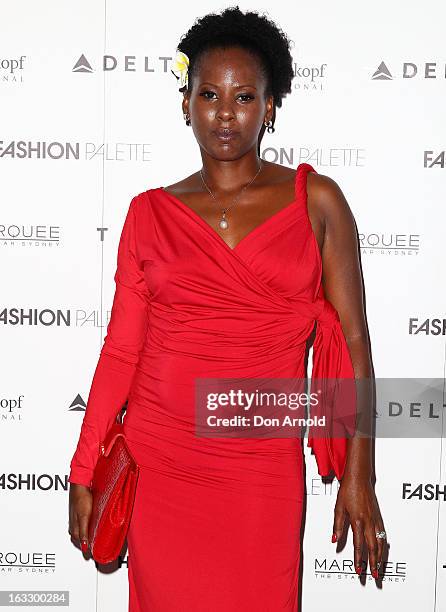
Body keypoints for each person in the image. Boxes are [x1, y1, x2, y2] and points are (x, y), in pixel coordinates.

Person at [68, 6, 387, 611]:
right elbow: (121, 352)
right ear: (185, 101)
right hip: (161, 460)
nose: (224, 112)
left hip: (259, 466)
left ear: (271, 107)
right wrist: (84, 470)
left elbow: (354, 343)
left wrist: (359, 474)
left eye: (245, 96)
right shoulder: (148, 212)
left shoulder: (315, 200)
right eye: (209, 93)